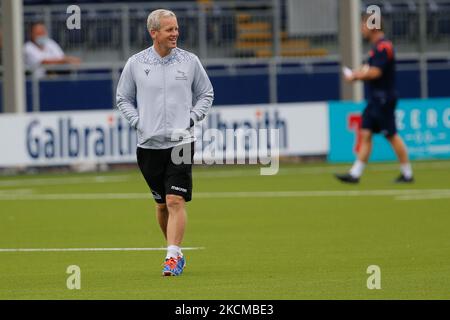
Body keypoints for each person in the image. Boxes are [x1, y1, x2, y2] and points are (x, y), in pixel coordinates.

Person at [116, 9, 214, 276]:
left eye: (177, 28)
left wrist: (191, 119)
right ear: (154, 33)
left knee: (174, 200)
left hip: (181, 142)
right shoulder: (136, 63)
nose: (175, 34)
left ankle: (171, 256)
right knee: (161, 205)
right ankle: (176, 250)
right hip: (148, 146)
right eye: (170, 29)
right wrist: (138, 121)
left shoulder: (190, 61)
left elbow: (206, 93)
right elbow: (123, 98)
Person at [335, 14, 414, 184]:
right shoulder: (376, 48)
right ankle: (355, 173)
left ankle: (407, 174)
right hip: (375, 99)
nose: (361, 29)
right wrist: (360, 73)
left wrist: (355, 76)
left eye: (364, 25)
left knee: (391, 135)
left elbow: (376, 72)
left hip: (383, 99)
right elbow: (371, 69)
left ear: (373, 27)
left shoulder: (383, 47)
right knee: (365, 134)